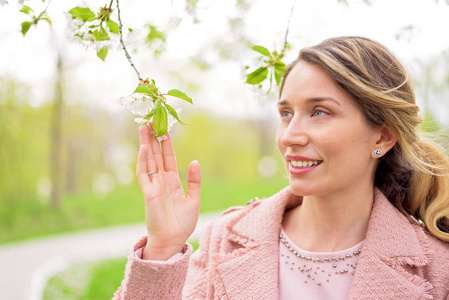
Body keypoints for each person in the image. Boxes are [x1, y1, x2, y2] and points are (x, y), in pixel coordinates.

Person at [114, 36, 449, 299]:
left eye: (319, 112)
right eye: (286, 113)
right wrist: (161, 249)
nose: (289, 136)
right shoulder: (224, 240)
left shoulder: (438, 270)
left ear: (383, 134)